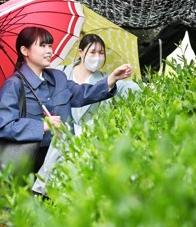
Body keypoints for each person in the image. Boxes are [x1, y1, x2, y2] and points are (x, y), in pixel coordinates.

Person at [0, 27, 133, 177]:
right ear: (25, 51)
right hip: (31, 164)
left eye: (50, 45)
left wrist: (112, 79)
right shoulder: (14, 85)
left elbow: (82, 94)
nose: (49, 51)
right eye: (42, 46)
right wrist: (43, 126)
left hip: (63, 161)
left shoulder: (57, 77)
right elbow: (4, 125)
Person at [32, 34, 141, 196]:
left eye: (101, 53)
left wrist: (146, 87)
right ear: (81, 52)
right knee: (53, 187)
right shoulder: (60, 73)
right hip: (55, 142)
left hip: (89, 145)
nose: (97, 57)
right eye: (92, 52)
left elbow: (130, 89)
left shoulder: (106, 79)